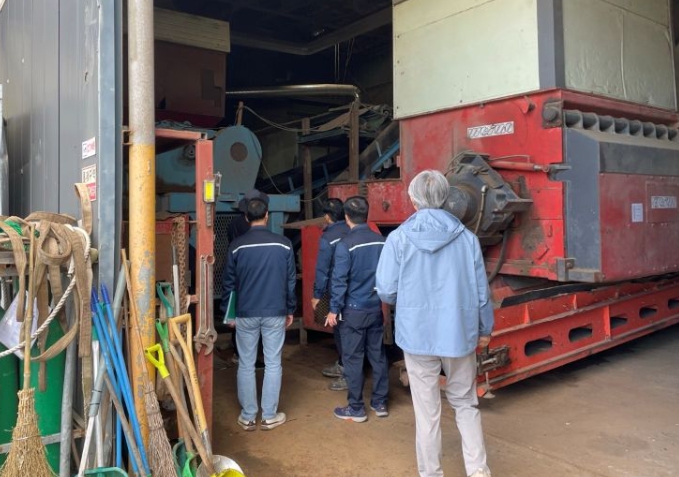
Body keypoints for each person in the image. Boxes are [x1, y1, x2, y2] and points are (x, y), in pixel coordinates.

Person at [375, 170, 493, 477]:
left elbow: (386, 290)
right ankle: (478, 471)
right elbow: (481, 292)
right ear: (445, 198)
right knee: (465, 403)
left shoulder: (398, 239)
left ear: (413, 200)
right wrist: (484, 330)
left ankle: (431, 473)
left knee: (426, 412)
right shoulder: (467, 239)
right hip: (459, 333)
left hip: (416, 335)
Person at [222, 198, 296, 431]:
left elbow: (228, 284)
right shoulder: (284, 245)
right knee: (273, 363)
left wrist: (228, 314)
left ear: (246, 218)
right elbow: (290, 281)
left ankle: (248, 417)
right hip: (275, 311)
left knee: (246, 363)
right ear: (267, 215)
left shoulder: (237, 246)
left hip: (245, 312)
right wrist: (290, 309)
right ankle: (269, 416)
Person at [326, 196, 388, 422]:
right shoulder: (381, 241)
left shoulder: (345, 245)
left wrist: (333, 310)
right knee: (377, 356)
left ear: (346, 217)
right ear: (366, 215)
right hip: (375, 307)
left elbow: (339, 280)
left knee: (353, 359)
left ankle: (356, 408)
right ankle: (380, 403)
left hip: (353, 311)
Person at [225, 189, 268, 368]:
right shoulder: (253, 228)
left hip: (239, 274)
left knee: (239, 315)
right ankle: (250, 355)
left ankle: (239, 352)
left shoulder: (233, 224)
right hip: (256, 274)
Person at [311, 198, 350, 391]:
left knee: (341, 330)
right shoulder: (352, 230)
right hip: (356, 290)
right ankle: (344, 364)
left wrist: (317, 294)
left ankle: (347, 372)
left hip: (337, 290)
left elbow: (323, 269)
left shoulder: (328, 237)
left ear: (327, 217)